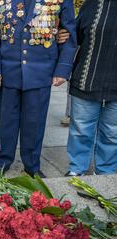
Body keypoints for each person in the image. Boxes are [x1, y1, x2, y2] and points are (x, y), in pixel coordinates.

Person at [0, 0, 77, 178]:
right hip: (9, 70)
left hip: (41, 71)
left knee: (35, 122)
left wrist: (62, 69)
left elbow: (69, 35)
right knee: (7, 122)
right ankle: (4, 160)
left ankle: (32, 164)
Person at [66, 0, 117, 176]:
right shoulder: (92, 4)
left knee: (112, 134)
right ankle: (76, 169)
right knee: (80, 130)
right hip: (87, 79)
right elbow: (75, 35)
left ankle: (106, 173)